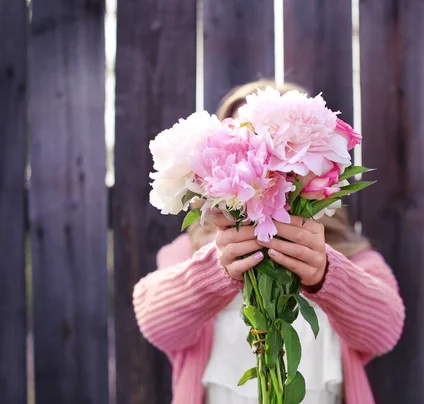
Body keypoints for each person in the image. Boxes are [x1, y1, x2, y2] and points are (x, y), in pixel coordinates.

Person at [133, 80, 405, 404]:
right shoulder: (190, 251)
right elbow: (157, 323)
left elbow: (384, 331)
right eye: (237, 141)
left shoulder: (349, 257)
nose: (258, 158)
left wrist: (327, 273)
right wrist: (215, 271)